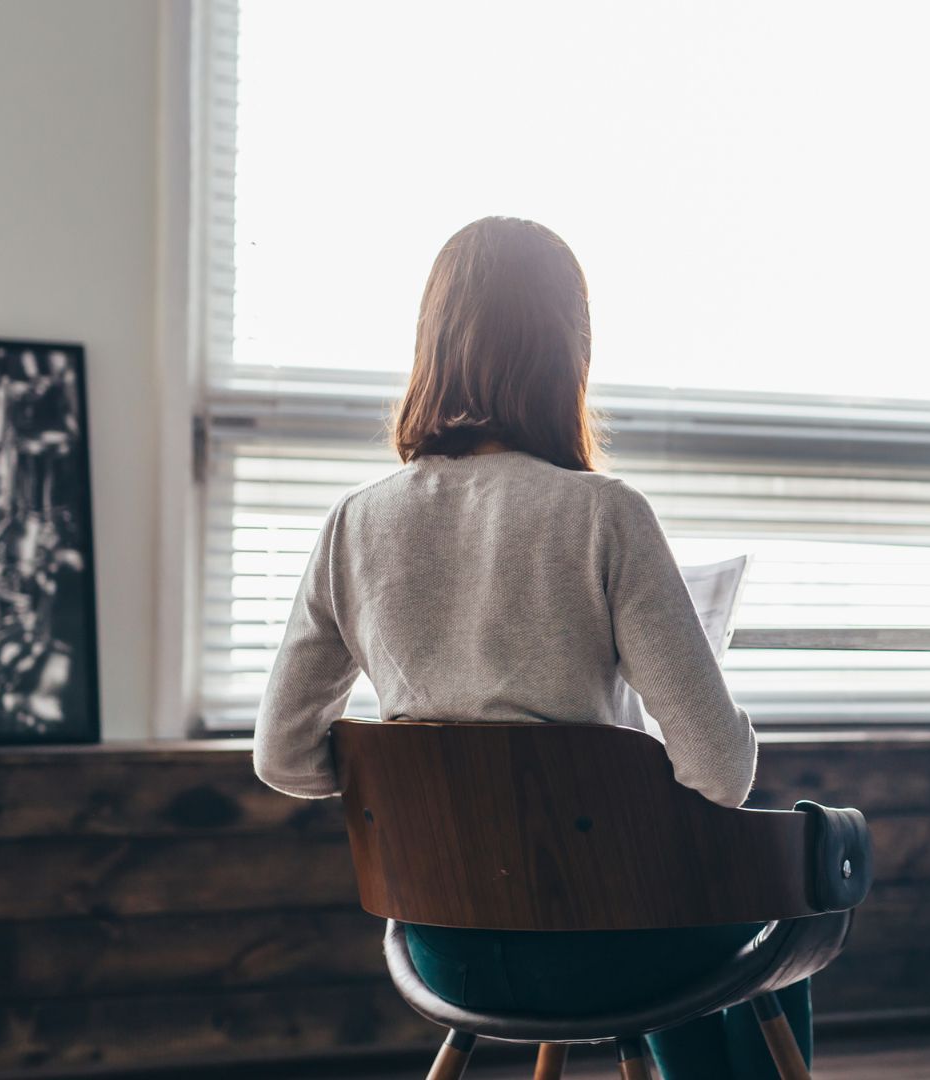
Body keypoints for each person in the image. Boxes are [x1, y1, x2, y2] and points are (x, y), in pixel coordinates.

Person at [252, 216, 804, 1079]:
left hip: (444, 951)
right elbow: (720, 776)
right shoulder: (604, 516)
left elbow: (284, 757)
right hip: (607, 945)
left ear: (432, 344)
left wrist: (429, 778)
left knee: (689, 892)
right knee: (765, 887)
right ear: (568, 353)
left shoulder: (354, 524)